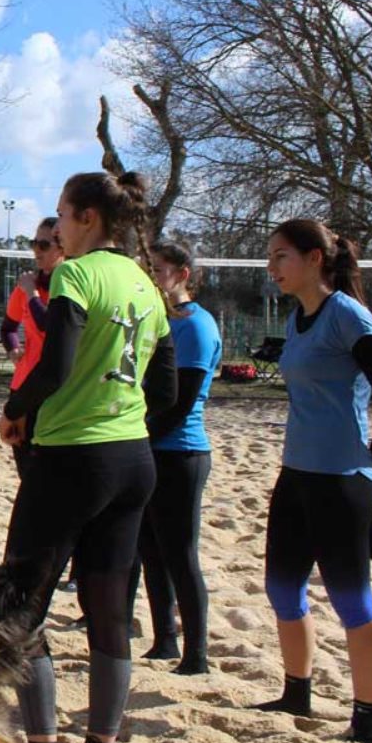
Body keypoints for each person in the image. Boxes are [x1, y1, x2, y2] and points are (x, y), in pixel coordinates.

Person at [0, 171, 176, 743]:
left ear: (88, 219)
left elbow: (56, 367)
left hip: (74, 458)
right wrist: (123, 416)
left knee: (21, 608)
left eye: (61, 217)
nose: (58, 231)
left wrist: (15, 411)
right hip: (133, 460)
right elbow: (167, 386)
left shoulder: (76, 274)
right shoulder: (146, 284)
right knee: (108, 610)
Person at [255, 219, 372, 743]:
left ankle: (368, 720)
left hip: (342, 479)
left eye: (281, 257)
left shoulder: (349, 316)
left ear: (316, 258)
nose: (272, 268)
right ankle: (297, 691)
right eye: (270, 258)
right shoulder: (298, 319)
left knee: (352, 600)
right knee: (281, 587)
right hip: (297, 473)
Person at [134, 240, 220, 675]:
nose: (152, 276)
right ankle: (164, 638)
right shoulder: (158, 320)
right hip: (153, 446)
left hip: (182, 450)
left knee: (181, 552)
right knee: (150, 547)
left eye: (160, 269)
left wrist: (140, 438)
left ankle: (197, 654)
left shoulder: (197, 326)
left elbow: (180, 402)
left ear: (183, 273)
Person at [0, 218, 64, 476]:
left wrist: (31, 294)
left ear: (62, 247)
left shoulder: (70, 285)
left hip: (56, 390)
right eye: (34, 242)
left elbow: (49, 325)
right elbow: (7, 327)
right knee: (26, 469)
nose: (36, 249)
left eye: (44, 244)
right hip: (23, 388)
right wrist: (13, 348)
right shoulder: (26, 285)